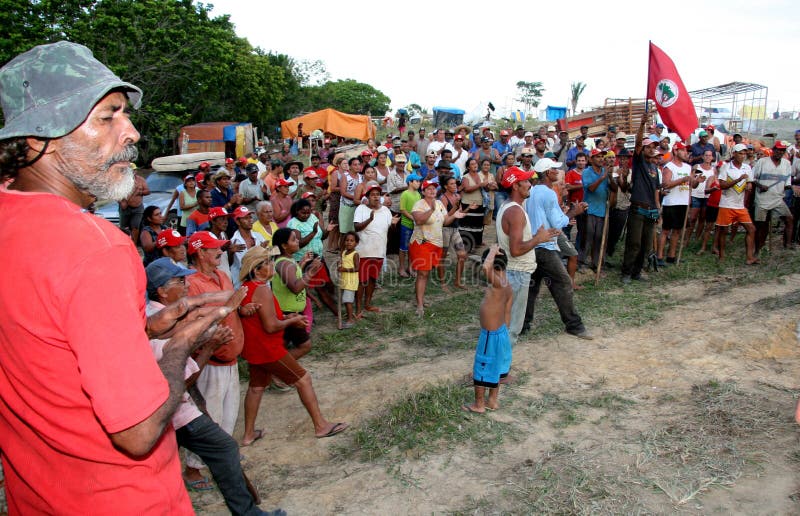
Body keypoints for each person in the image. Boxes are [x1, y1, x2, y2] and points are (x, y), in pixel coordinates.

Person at [0, 41, 237, 513]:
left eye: (125, 115)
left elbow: (47, 345)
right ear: (37, 139)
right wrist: (177, 349)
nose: (131, 132)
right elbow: (139, 429)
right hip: (124, 498)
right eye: (107, 116)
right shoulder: (94, 246)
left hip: (43, 496)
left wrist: (143, 328)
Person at [144, 258, 279, 515]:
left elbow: (199, 310)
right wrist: (209, 346)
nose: (186, 286)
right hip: (174, 411)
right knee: (223, 448)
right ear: (161, 290)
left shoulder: (165, 314)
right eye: (179, 281)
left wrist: (225, 309)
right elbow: (183, 381)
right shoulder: (158, 325)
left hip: (177, 407)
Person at [238, 247, 348, 442]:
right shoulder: (262, 289)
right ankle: (321, 426)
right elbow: (271, 326)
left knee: (256, 388)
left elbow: (264, 319)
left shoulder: (248, 288)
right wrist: (292, 321)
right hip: (269, 349)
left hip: (255, 349)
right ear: (257, 270)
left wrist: (286, 317)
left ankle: (248, 434)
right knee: (303, 379)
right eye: (268, 263)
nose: (273, 266)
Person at [185, 231, 252, 473]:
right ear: (200, 252)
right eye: (214, 248)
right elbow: (193, 324)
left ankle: (224, 457)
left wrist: (244, 309)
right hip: (211, 361)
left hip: (229, 357)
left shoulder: (222, 275)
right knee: (207, 415)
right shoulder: (191, 284)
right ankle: (194, 468)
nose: (220, 252)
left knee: (228, 412)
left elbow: (232, 309)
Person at [523, 158, 592, 339]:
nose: (557, 172)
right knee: (562, 283)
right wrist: (573, 212)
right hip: (545, 246)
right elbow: (558, 222)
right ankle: (574, 325)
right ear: (547, 173)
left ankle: (523, 324)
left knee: (532, 288)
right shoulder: (548, 193)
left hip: (532, 245)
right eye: (554, 169)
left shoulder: (531, 191)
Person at [495, 166, 559, 346]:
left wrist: (535, 237)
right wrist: (538, 239)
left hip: (512, 271)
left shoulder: (507, 207)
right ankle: (502, 369)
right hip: (517, 272)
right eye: (525, 181)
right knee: (512, 325)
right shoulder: (515, 212)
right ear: (515, 186)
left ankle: (498, 365)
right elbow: (516, 250)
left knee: (507, 321)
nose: (530, 184)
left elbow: (513, 243)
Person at [463, 245, 512, 414]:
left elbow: (485, 267)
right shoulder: (508, 285)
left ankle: (479, 404)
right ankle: (492, 400)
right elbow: (507, 313)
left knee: (482, 367)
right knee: (496, 367)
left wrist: (491, 251)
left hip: (490, 335)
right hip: (501, 333)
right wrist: (503, 335)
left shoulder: (497, 283)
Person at [410, 180, 469, 316]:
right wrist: (430, 209)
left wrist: (454, 215)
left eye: (434, 188)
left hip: (436, 243)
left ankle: (420, 299)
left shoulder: (439, 204)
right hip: (422, 243)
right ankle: (419, 305)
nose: (432, 191)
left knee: (426, 273)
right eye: (428, 189)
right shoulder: (418, 205)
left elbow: (445, 221)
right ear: (423, 191)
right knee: (423, 273)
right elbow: (419, 220)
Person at [621, 115, 663, 284]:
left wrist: (658, 208)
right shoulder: (639, 163)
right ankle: (626, 272)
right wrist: (642, 124)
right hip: (637, 209)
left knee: (646, 245)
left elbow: (655, 190)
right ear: (643, 149)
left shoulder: (654, 168)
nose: (652, 149)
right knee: (634, 243)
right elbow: (638, 142)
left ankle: (637, 272)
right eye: (649, 146)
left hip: (650, 210)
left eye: (654, 146)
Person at [353, 182, 400, 314]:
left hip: (379, 251)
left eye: (377, 194)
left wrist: (393, 225)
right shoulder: (361, 209)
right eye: (372, 194)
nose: (375, 197)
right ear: (367, 196)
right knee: (362, 281)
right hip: (363, 251)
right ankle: (358, 309)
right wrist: (369, 219)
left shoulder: (385, 210)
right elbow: (356, 227)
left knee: (372, 280)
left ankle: (367, 304)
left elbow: (390, 232)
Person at [657, 142, 699, 266]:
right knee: (665, 231)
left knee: (677, 231)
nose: (686, 153)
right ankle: (659, 256)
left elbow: (692, 185)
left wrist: (697, 181)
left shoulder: (687, 167)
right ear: (675, 151)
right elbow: (666, 184)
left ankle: (672, 255)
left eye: (686, 151)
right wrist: (683, 179)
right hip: (671, 202)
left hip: (683, 202)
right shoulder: (669, 167)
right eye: (683, 150)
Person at [715, 143, 758, 264]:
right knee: (724, 231)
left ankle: (749, 257)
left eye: (744, 153)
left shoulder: (747, 168)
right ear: (734, 154)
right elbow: (722, 186)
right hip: (727, 204)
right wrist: (738, 180)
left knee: (751, 229)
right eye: (740, 153)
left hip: (739, 205)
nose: (742, 156)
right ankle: (722, 256)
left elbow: (749, 182)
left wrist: (749, 185)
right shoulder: (726, 167)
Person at [752, 141, 794, 250]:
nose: (779, 152)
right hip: (762, 199)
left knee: (789, 219)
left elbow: (787, 183)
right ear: (773, 150)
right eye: (778, 149)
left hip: (777, 199)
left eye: (782, 150)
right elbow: (752, 179)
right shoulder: (762, 161)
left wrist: (793, 188)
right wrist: (760, 186)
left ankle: (787, 244)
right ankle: (758, 247)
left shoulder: (787, 164)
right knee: (761, 225)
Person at [439, 175, 475, 290]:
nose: (455, 186)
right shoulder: (443, 198)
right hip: (445, 230)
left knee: (462, 255)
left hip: (455, 229)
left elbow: (459, 214)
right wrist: (455, 206)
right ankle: (443, 282)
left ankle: (457, 282)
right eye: (452, 184)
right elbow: (445, 218)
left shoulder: (457, 196)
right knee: (442, 257)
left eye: (455, 183)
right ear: (445, 186)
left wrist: (469, 208)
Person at [230, 206, 266, 288]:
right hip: (242, 284)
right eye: (246, 218)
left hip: (261, 281)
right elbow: (244, 266)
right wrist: (259, 251)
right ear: (238, 222)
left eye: (250, 217)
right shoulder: (234, 241)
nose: (250, 220)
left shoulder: (259, 237)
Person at [460, 157, 488, 249]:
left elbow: (485, 188)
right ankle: (467, 243)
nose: (475, 165)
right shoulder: (465, 177)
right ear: (468, 167)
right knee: (468, 224)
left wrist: (490, 186)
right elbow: (467, 189)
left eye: (475, 163)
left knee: (478, 224)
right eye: (472, 164)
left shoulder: (481, 175)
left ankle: (477, 242)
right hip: (468, 203)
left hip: (480, 202)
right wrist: (480, 185)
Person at [398, 173, 423, 277]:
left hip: (416, 226)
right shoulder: (405, 194)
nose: (419, 183)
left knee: (413, 247)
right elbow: (403, 210)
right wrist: (413, 218)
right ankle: (401, 268)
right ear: (410, 182)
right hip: (406, 225)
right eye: (417, 181)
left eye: (419, 181)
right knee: (404, 247)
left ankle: (410, 267)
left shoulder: (418, 194)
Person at [119, 170, 150, 243]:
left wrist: (140, 192)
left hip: (137, 207)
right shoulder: (121, 180)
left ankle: (134, 244)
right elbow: (115, 193)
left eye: (134, 170)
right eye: (131, 170)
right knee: (124, 227)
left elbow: (148, 191)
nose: (133, 172)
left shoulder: (141, 180)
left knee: (135, 226)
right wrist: (121, 202)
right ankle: (124, 243)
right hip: (125, 208)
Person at [338, 232, 360, 327]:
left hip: (351, 282)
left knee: (348, 300)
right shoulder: (344, 252)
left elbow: (357, 268)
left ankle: (350, 320)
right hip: (344, 280)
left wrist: (344, 269)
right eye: (347, 240)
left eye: (352, 241)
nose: (349, 242)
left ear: (356, 243)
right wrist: (339, 265)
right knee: (346, 300)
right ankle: (349, 316)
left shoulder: (355, 254)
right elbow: (343, 264)